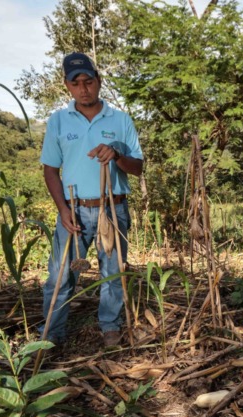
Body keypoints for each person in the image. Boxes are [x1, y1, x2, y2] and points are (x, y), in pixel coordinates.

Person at [40, 52, 143, 347]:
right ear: (67, 86)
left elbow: (138, 168)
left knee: (113, 273)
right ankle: (51, 334)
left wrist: (117, 155)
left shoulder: (120, 120)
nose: (83, 88)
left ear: (99, 82)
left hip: (113, 208)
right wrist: (62, 209)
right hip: (74, 210)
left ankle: (110, 326)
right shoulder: (58, 121)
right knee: (59, 276)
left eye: (89, 81)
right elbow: (50, 170)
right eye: (76, 83)